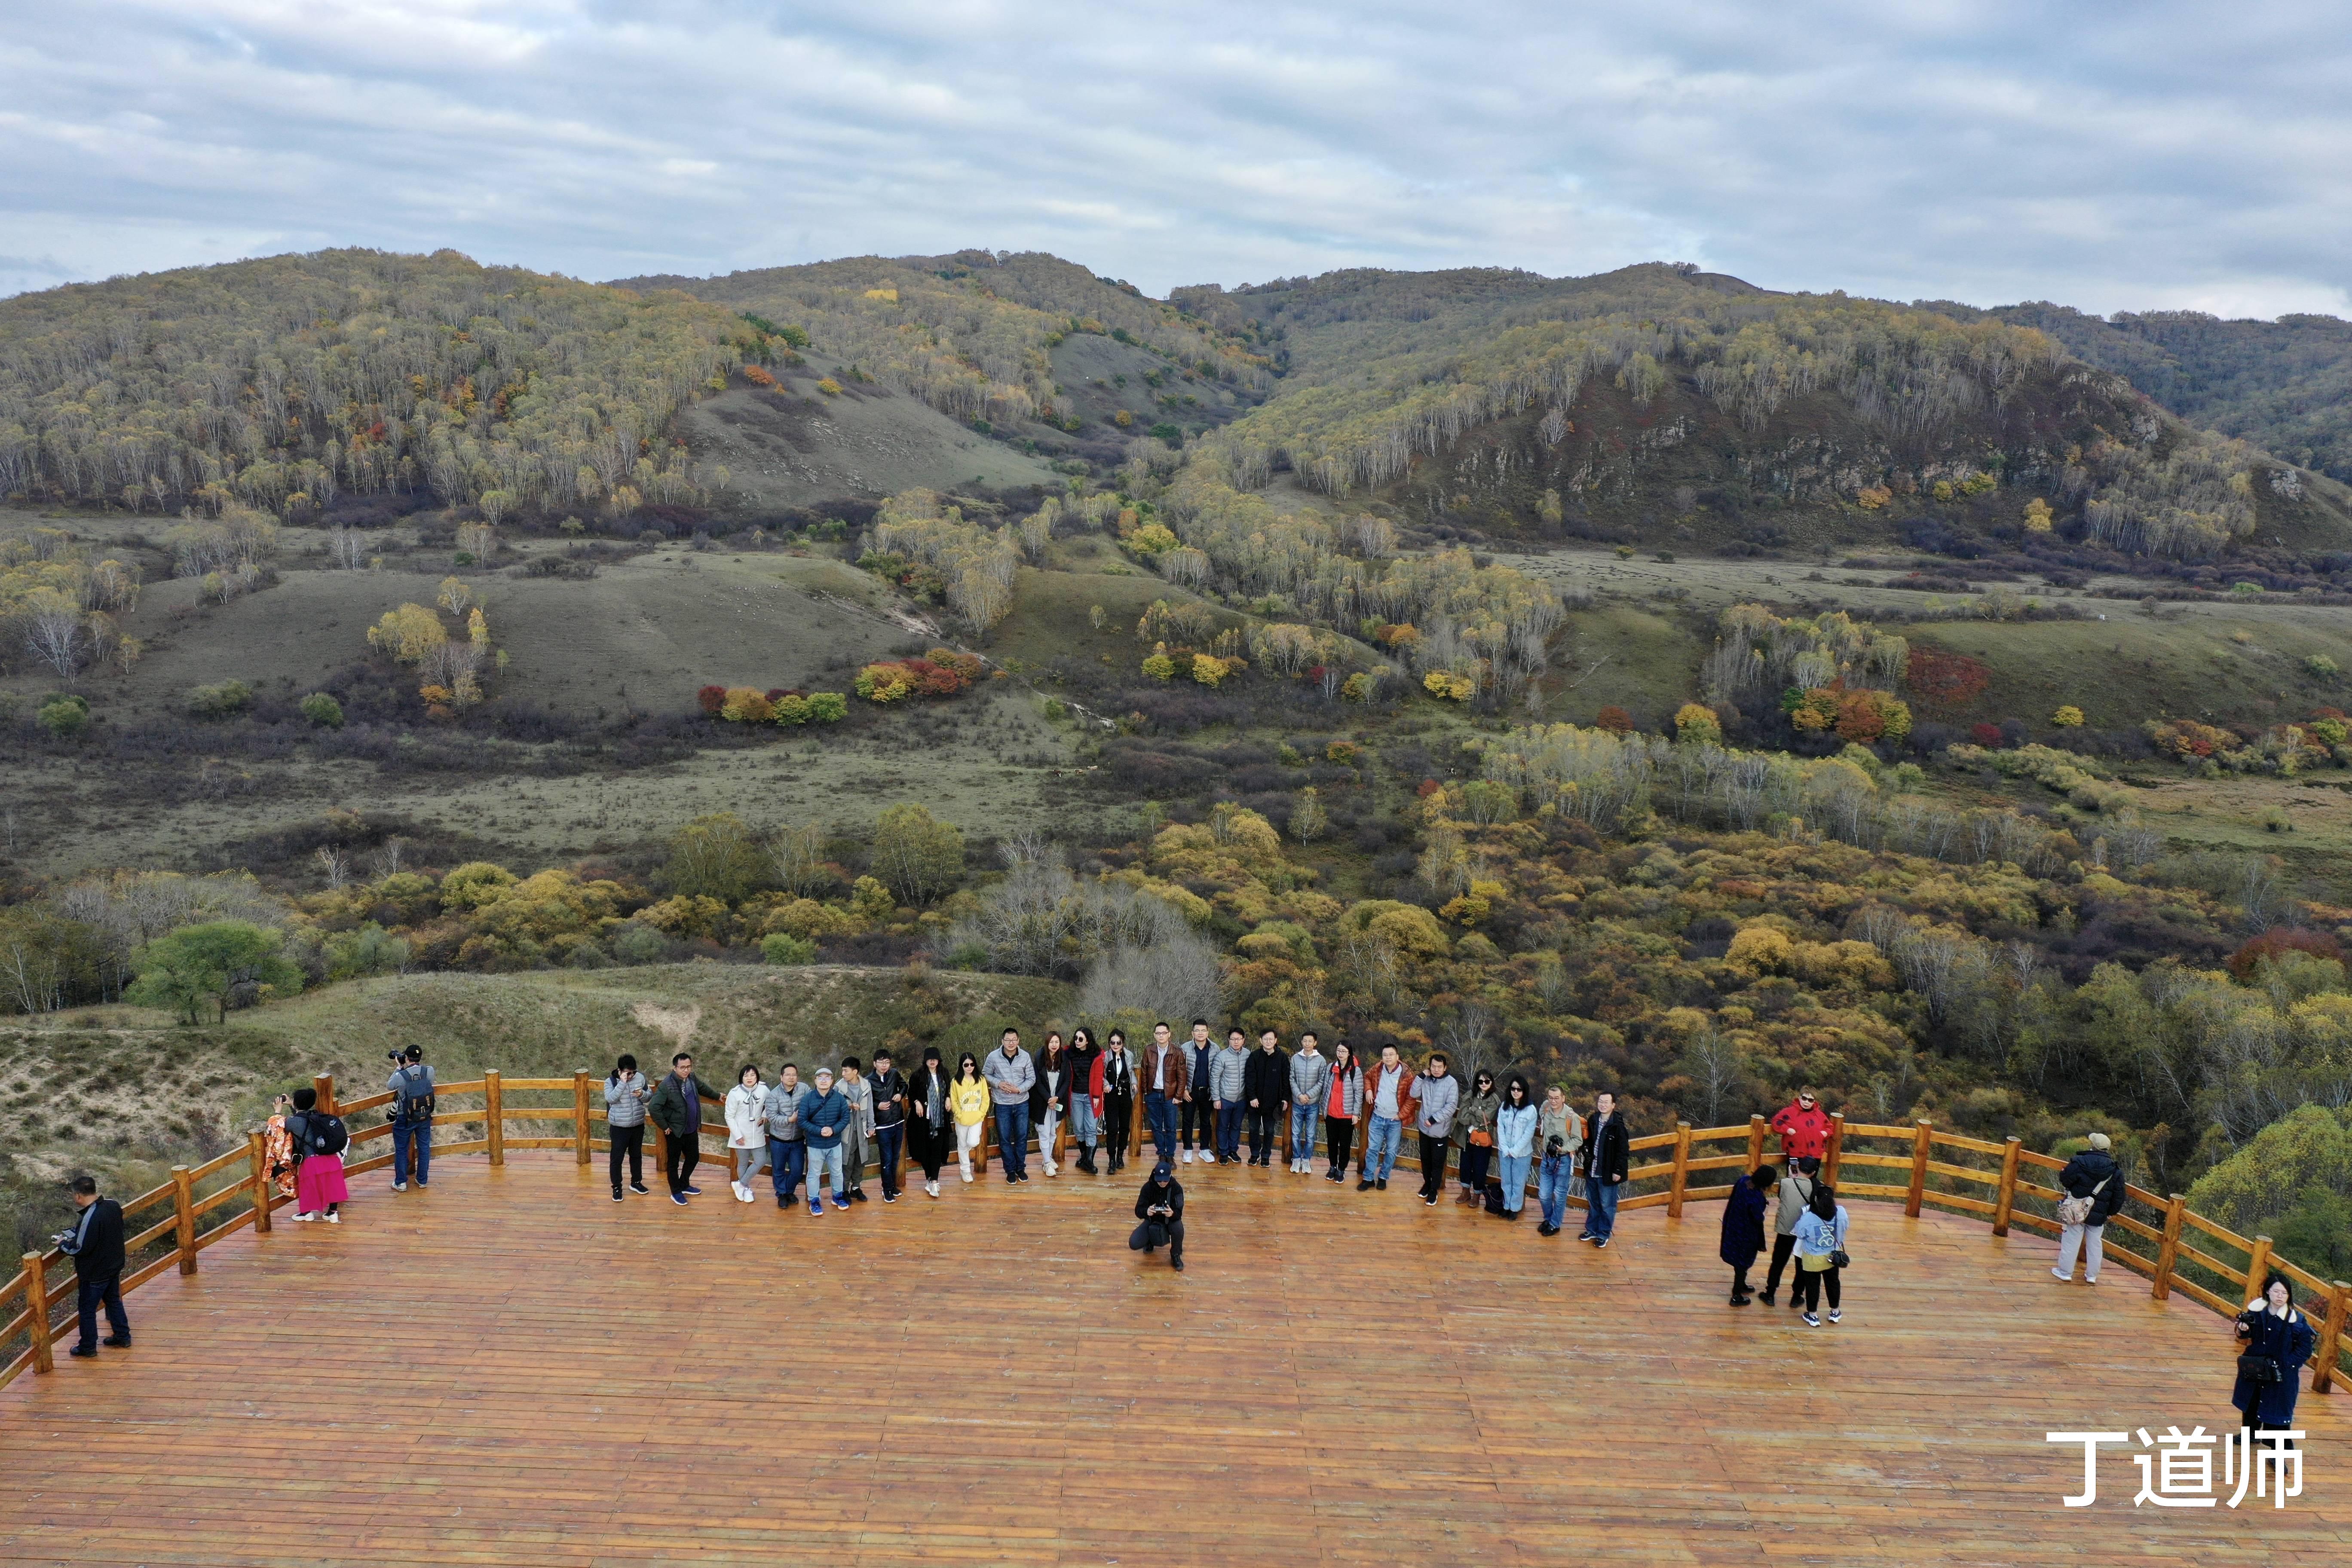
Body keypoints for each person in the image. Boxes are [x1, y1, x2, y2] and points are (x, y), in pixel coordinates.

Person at [2233, 1271, 2317, 1436]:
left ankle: (2278, 1455)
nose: (2280, 1296)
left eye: (2285, 1293)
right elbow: (2245, 1334)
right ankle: (2250, 1434)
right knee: (2252, 1400)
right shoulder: (2256, 1311)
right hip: (2256, 1364)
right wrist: (2243, 1330)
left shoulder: (2297, 1320)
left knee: (2278, 1413)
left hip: (2281, 1371)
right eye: (2276, 1291)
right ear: (2268, 1292)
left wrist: (2286, 1365)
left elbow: (2305, 1349)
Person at [58, 1175, 128, 1357]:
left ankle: (88, 1347)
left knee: (87, 1310)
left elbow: (80, 1248)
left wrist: (62, 1245)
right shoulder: (113, 1205)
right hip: (114, 1266)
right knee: (113, 1301)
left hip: (95, 1273)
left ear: (78, 1196)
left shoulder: (90, 1216)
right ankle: (123, 1337)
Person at [2052, 1131, 2124, 1285]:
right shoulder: (2115, 1171)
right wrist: (2110, 1212)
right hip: (2099, 1213)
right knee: (2095, 1244)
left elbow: (2066, 1180)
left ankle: (2065, 1272)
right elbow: (2119, 1195)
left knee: (2071, 1240)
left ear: (2093, 1146)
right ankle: (2092, 1276)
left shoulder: (2079, 1162)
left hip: (2076, 1208)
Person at [649, 1052, 715, 1206]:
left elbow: (703, 1088)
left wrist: (717, 1096)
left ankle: (684, 1184)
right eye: (683, 1067)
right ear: (675, 1068)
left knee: (694, 1158)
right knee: (673, 1163)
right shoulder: (667, 1085)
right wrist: (665, 1126)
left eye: (689, 1067)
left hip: (691, 1129)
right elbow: (654, 1107)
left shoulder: (691, 1079)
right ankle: (676, 1192)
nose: (686, 1070)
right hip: (675, 1131)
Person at [282, 1087, 350, 1223]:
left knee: (308, 1186)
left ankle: (306, 1213)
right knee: (332, 1185)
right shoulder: (317, 1116)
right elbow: (302, 1118)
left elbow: (281, 1125)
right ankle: (332, 1213)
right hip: (330, 1157)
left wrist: (278, 1111)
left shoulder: (292, 1122)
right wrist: (292, 1105)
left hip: (312, 1160)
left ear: (296, 1104)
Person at [1356, 1044, 1418, 1192]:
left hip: (1394, 1120)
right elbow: (1367, 1077)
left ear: (1397, 1057)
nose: (1388, 1058)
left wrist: (1401, 1115)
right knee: (1372, 1149)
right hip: (1377, 1116)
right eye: (1385, 1055)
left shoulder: (1406, 1074)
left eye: (1391, 1055)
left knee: (1391, 1151)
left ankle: (1383, 1177)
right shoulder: (1378, 1069)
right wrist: (1369, 1089)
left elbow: (1412, 1098)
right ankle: (1368, 1178)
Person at [1760, 1158, 1819, 1308]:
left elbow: (1782, 1197)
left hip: (1786, 1228)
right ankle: (1796, 1296)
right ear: (1813, 1172)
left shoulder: (1786, 1183)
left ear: (1797, 1167)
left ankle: (1771, 1294)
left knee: (1778, 1262)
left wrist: (1791, 1178)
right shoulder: (1816, 1187)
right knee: (1801, 1264)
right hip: (1804, 1232)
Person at [1792, 1182, 1850, 1326]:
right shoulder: (1841, 1213)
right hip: (1833, 1256)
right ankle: (1835, 1312)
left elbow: (1800, 1233)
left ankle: (1813, 1316)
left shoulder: (1809, 1218)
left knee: (1813, 1286)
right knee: (1833, 1283)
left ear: (1816, 1200)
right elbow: (1846, 1227)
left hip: (1813, 1257)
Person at [983, 1029, 1036, 1183]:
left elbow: (1031, 1079)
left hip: (1022, 1103)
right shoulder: (993, 1057)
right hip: (1002, 1104)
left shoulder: (1025, 1056)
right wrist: (999, 1084)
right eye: (1008, 1040)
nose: (1011, 1043)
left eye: (1014, 1040)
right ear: (1002, 1041)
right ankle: (1010, 1170)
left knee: (1022, 1137)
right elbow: (986, 1074)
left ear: (1018, 1041)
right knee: (1005, 1138)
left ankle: (1021, 1168)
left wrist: (1019, 1089)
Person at [1578, 1090, 1628, 1245]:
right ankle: (1592, 1230)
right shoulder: (1593, 1119)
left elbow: (1623, 1151)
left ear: (1613, 1105)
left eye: (1607, 1102)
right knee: (1593, 1203)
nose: (1603, 1105)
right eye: (1600, 1101)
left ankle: (1604, 1234)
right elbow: (1587, 1140)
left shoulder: (1617, 1126)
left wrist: (1618, 1171)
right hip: (1592, 1169)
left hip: (1608, 1173)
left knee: (1608, 1206)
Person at [800, 1068, 852, 1215]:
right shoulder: (808, 1099)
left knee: (837, 1172)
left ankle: (838, 1197)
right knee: (814, 1174)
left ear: (832, 1081)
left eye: (827, 1078)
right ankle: (814, 1201)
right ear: (815, 1080)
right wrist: (819, 1131)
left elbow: (845, 1118)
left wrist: (834, 1130)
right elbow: (802, 1121)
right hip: (815, 1145)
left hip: (835, 1144)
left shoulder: (839, 1099)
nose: (824, 1081)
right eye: (820, 1078)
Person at [1535, 1086, 1583, 1236]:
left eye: (1557, 1098)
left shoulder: (1571, 1117)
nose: (1553, 1101)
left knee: (1560, 1194)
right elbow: (1542, 1109)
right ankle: (1548, 1219)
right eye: (1550, 1097)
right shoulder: (1547, 1110)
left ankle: (1555, 1224)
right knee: (1544, 1194)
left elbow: (1578, 1140)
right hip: (1547, 1158)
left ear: (1564, 1098)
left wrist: (1562, 1149)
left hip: (1563, 1160)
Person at [386, 1045, 436, 1192]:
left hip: (404, 1117)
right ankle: (422, 1180)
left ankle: (401, 1183)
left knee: (402, 1149)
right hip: (424, 1115)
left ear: (406, 1058)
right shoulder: (429, 1071)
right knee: (424, 1147)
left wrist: (399, 1068)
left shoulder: (402, 1076)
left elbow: (390, 1086)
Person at [1413, 1052, 1460, 1207]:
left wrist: (1434, 1119)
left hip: (1440, 1130)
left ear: (1445, 1067)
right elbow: (1413, 1094)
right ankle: (1427, 1184)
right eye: (1433, 1066)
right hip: (1424, 1129)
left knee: (1437, 1163)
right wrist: (1420, 1076)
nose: (1436, 1069)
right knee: (1425, 1160)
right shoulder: (1425, 1080)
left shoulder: (1451, 1083)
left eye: (1440, 1067)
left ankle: (1434, 1190)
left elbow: (1452, 1106)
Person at [603, 1054, 652, 1200]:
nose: (631, 1076)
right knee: (617, 1158)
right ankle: (617, 1187)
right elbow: (611, 1099)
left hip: (637, 1124)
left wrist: (642, 1094)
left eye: (633, 1073)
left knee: (636, 1155)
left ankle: (636, 1182)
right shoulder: (610, 1082)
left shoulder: (640, 1078)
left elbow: (649, 1096)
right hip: (619, 1126)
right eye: (628, 1073)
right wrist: (622, 1084)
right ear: (620, 1071)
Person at [1720, 1167, 1771, 1304]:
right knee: (1743, 1262)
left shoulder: (1743, 1181)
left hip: (1733, 1225)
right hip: (1747, 1234)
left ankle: (1741, 1284)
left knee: (1738, 1259)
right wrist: (1765, 1213)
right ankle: (1736, 1296)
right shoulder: (1756, 1197)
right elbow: (1758, 1218)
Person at [763, 1063, 810, 1208]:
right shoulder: (774, 1095)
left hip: (797, 1139)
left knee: (797, 1169)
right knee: (778, 1168)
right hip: (779, 1139)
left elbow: (811, 1104)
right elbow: (772, 1117)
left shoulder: (804, 1089)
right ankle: (782, 1194)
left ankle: (789, 1191)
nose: (791, 1077)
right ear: (781, 1077)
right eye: (788, 1075)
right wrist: (790, 1120)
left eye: (794, 1074)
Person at [906, 1047, 952, 1198]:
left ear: (939, 1060)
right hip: (923, 1120)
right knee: (925, 1150)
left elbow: (947, 1090)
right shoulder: (918, 1075)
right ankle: (930, 1179)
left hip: (940, 1119)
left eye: (935, 1059)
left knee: (937, 1150)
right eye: (930, 1059)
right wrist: (917, 1102)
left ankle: (934, 1181)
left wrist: (948, 1098)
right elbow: (911, 1092)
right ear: (925, 1061)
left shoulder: (944, 1074)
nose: (933, 1061)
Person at [1142, 1021, 1187, 1165]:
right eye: (1158, 1033)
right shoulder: (1149, 1050)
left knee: (1171, 1127)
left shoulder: (1177, 1052)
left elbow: (1182, 1075)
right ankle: (1161, 1153)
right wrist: (1146, 1092)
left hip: (1170, 1096)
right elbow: (1143, 1072)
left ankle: (1170, 1155)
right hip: (1153, 1094)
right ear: (1155, 1035)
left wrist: (1178, 1096)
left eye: (1164, 1033)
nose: (1161, 1036)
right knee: (1156, 1126)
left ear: (1169, 1034)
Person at [1491, 1074, 1537, 1219]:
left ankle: (1515, 1208)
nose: (1516, 1092)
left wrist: (1515, 1151)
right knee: (1506, 1181)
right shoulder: (1505, 1107)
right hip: (1505, 1151)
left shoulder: (1531, 1110)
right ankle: (1506, 1206)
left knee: (1518, 1182)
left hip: (1522, 1154)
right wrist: (1505, 1148)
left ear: (1525, 1091)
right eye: (1513, 1089)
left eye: (1519, 1089)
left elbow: (1529, 1134)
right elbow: (1501, 1129)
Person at [1129, 1160, 1185, 1271]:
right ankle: (1150, 1241)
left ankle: (1176, 1254)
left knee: (1178, 1228)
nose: (1163, 1183)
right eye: (1160, 1180)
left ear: (1170, 1176)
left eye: (1166, 1180)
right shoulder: (1147, 1188)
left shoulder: (1177, 1189)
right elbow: (1138, 1210)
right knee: (1134, 1243)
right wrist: (1147, 1212)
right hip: (1152, 1220)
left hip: (1170, 1220)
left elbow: (1179, 1212)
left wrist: (1172, 1214)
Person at [1243, 1028, 1289, 1167]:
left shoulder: (1282, 1058)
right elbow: (1249, 1078)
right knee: (1253, 1129)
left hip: (1273, 1103)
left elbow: (1287, 1080)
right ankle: (1255, 1154)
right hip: (1255, 1102)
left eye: (1271, 1039)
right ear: (1261, 1040)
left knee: (1270, 1130)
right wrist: (1252, 1097)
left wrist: (1285, 1099)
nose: (1268, 1042)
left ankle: (1266, 1155)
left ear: (1276, 1041)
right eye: (1265, 1039)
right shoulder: (1255, 1056)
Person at [869, 1048, 909, 1203]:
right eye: (881, 1062)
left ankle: (892, 1187)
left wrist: (901, 1094)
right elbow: (865, 1101)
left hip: (898, 1121)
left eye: (887, 1062)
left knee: (895, 1158)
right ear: (875, 1064)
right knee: (887, 1159)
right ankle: (886, 1190)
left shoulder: (894, 1074)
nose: (884, 1066)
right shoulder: (869, 1080)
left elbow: (905, 1086)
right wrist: (877, 1105)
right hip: (882, 1125)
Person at [1455, 1068, 1499, 1205]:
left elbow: (1487, 1117)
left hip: (1483, 1138)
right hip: (1467, 1136)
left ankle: (1477, 1194)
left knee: (1480, 1167)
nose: (1484, 1084)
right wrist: (1477, 1117)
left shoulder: (1494, 1099)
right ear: (1477, 1082)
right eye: (1481, 1081)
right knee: (1465, 1165)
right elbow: (1462, 1116)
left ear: (1491, 1082)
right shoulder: (1470, 1094)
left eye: (1487, 1081)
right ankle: (1465, 1191)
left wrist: (1473, 1110)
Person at [1287, 1032, 1330, 1175]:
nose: (1307, 1044)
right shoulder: (1295, 1058)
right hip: (1297, 1103)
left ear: (1315, 1043)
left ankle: (1306, 1160)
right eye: (1305, 1041)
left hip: (1312, 1104)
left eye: (1310, 1041)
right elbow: (1291, 1079)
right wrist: (1299, 1095)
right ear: (1302, 1042)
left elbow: (1322, 1082)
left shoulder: (1321, 1061)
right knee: (1295, 1134)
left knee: (1311, 1135)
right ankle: (1296, 1159)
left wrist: (1308, 1095)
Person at [724, 1065, 767, 1203]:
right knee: (742, 1164)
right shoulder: (735, 1093)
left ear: (757, 1077)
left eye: (753, 1075)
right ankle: (746, 1189)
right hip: (741, 1135)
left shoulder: (764, 1090)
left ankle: (740, 1184)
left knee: (761, 1161)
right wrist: (738, 1136)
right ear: (741, 1078)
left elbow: (773, 1104)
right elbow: (729, 1116)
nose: (750, 1078)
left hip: (757, 1133)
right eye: (746, 1076)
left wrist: (765, 1115)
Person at [1210, 1027, 1251, 1164]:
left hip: (1241, 1099)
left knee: (1236, 1126)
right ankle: (1223, 1152)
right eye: (1233, 1039)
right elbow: (1215, 1078)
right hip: (1225, 1099)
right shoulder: (1222, 1056)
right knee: (1222, 1126)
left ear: (1243, 1040)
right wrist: (1216, 1098)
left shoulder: (1248, 1055)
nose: (1236, 1042)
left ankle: (1233, 1150)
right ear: (1229, 1040)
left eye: (1239, 1039)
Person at [1066, 1027, 1104, 1174]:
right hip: (1075, 1095)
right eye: (1076, 1038)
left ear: (1088, 1040)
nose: (1077, 1041)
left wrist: (1096, 1096)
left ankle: (1090, 1161)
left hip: (1091, 1097)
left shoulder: (1096, 1054)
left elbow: (1098, 1076)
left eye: (1081, 1039)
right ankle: (1084, 1156)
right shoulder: (1069, 1053)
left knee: (1090, 1128)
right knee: (1078, 1128)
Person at [1322, 1041, 1362, 1181]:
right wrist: (1324, 1108)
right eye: (1339, 1051)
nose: (1341, 1054)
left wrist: (1356, 1113)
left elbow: (1359, 1093)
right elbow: (1326, 1088)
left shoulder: (1355, 1071)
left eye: (1344, 1051)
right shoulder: (1331, 1067)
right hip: (1331, 1113)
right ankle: (1332, 1166)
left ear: (1349, 1053)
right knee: (1332, 1142)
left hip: (1347, 1115)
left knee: (1345, 1144)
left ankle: (1341, 1169)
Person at [948, 1053, 991, 1182]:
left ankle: (965, 1165)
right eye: (966, 1065)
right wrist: (959, 1114)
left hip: (976, 1118)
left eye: (972, 1064)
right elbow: (954, 1100)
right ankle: (965, 1171)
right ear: (962, 1066)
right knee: (962, 1146)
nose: (969, 1067)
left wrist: (981, 1113)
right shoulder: (956, 1081)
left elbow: (985, 1097)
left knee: (973, 1142)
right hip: (962, 1119)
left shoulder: (981, 1079)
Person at [1179, 1018, 1216, 1164]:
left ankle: (1205, 1149)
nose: (1200, 1033)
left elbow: (1217, 1072)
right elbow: (1180, 1071)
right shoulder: (1185, 1048)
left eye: (1203, 1030)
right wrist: (1184, 1090)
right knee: (1187, 1120)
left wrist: (1215, 1092)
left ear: (1208, 1032)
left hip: (1207, 1091)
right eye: (1197, 1030)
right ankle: (1188, 1149)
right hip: (1190, 1091)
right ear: (1192, 1032)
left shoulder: (1215, 1048)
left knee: (1206, 1121)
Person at [837, 1056, 873, 1203]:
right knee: (847, 1160)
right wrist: (849, 1105)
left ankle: (856, 1188)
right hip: (847, 1130)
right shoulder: (839, 1087)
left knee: (861, 1159)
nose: (843, 1074)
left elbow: (870, 1107)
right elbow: (837, 1106)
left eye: (846, 1071)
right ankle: (844, 1189)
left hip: (862, 1129)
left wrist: (872, 1126)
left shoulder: (866, 1085)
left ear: (855, 1072)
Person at [1032, 1032, 1068, 1178]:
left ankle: (1047, 1158)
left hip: (1058, 1101)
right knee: (1044, 1132)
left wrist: (1057, 1097)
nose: (1054, 1045)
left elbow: (1067, 1080)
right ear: (1047, 1043)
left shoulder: (1064, 1058)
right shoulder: (1040, 1058)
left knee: (1053, 1132)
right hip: (1043, 1102)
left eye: (1057, 1042)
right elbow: (1037, 1082)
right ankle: (1047, 1162)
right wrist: (1049, 1099)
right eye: (1051, 1042)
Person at [1101, 1030, 1137, 1175]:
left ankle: (1120, 1155)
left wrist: (1134, 1083)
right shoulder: (1105, 1056)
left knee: (1124, 1127)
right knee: (1111, 1128)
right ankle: (1111, 1159)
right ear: (1109, 1043)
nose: (1115, 1045)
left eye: (1118, 1043)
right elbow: (1101, 1074)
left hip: (1126, 1093)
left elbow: (1131, 1072)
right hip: (1111, 1094)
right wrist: (1105, 1084)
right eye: (1112, 1043)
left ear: (1123, 1043)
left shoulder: (1128, 1055)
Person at [1770, 1087, 1831, 1166]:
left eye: (1810, 1100)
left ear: (1814, 1102)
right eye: (1804, 1099)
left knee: (1812, 1177)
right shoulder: (1789, 1112)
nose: (1807, 1102)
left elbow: (1830, 1128)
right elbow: (1776, 1121)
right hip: (1795, 1152)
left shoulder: (1820, 1115)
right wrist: (1787, 1129)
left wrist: (1825, 1133)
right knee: (1793, 1175)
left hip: (1815, 1153)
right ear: (1800, 1098)